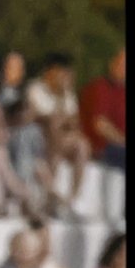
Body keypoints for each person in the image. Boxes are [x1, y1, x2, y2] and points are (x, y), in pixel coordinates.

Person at [25, 53, 91, 216]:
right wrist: (59, 118)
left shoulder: (67, 94)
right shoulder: (35, 88)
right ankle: (49, 199)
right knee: (54, 124)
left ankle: (74, 197)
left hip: (61, 140)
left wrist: (61, 99)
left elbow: (74, 121)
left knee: (82, 146)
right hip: (40, 139)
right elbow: (36, 116)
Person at [78, 48, 125, 173]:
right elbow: (100, 125)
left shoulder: (122, 92)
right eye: (121, 64)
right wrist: (123, 140)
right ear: (112, 64)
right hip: (102, 146)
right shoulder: (99, 88)